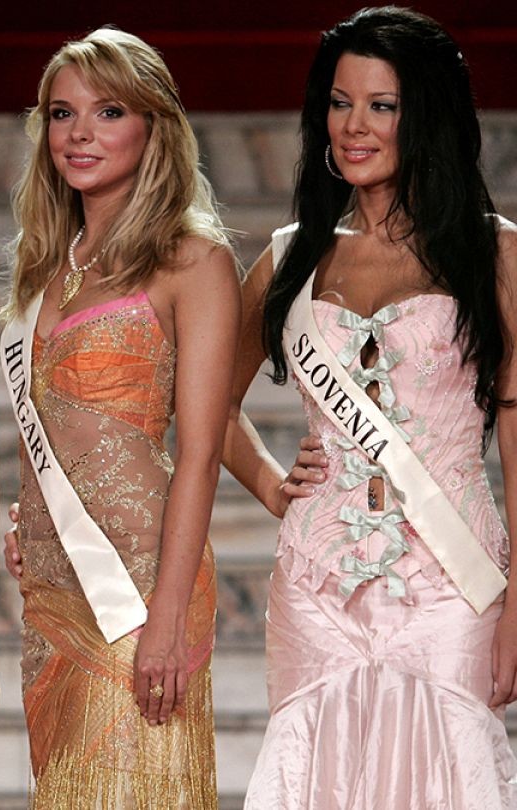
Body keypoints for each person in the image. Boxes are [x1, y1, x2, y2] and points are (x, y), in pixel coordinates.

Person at [220, 8, 517, 807]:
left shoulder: (495, 252)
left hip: (452, 583)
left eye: (381, 105)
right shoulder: (290, 257)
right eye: (340, 102)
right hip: (317, 585)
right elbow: (207, 408)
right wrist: (272, 484)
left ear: (427, 117)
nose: (354, 126)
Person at [0, 27, 237, 808]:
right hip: (51, 587)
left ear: (153, 127)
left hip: (138, 588)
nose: (79, 133)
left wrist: (167, 617)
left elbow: (200, 452)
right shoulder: (45, 263)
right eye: (62, 114)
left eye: (108, 112)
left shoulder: (191, 260)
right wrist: (30, 514)